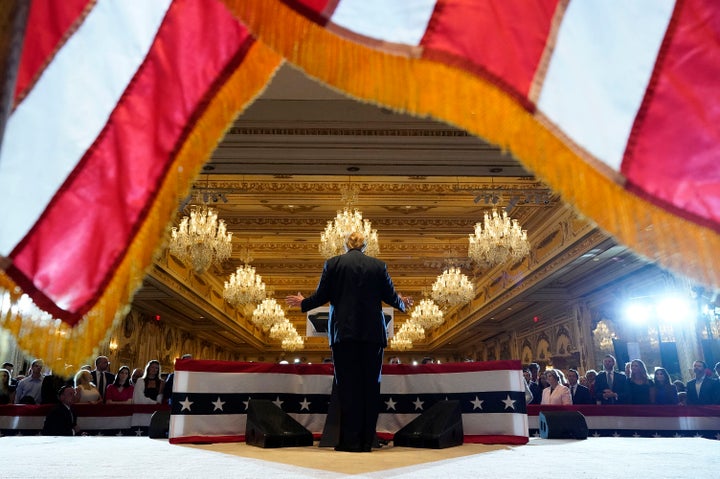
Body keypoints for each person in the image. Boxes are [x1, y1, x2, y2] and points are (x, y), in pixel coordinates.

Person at [286, 231, 411, 453]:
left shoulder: (333, 264)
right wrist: (403, 303)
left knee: (347, 389)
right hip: (373, 336)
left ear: (345, 246)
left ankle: (348, 442)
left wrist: (304, 303)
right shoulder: (378, 266)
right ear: (365, 247)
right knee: (371, 388)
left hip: (343, 335)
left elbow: (321, 295)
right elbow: (392, 297)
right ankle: (366, 442)